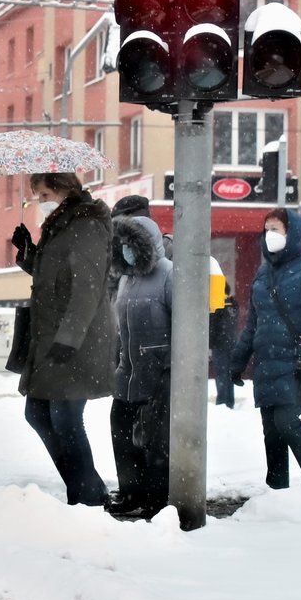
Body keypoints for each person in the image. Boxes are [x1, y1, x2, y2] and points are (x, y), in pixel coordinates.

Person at [10, 173, 113, 506]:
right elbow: (55, 278)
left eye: (42, 194)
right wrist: (29, 253)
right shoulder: (59, 226)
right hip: (52, 337)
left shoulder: (87, 226)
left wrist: (69, 339)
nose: (39, 202)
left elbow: (86, 287)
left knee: (65, 418)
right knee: (38, 414)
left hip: (78, 339)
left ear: (64, 190)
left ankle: (86, 500)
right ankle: (89, 489)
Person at [230, 208, 301, 492]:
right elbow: (253, 323)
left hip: (297, 360)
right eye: (267, 229)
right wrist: (238, 361)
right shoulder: (264, 273)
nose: (270, 235)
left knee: (286, 421)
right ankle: (277, 489)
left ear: (294, 233)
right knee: (271, 430)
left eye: (276, 229)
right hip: (266, 363)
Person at [106, 215, 173, 518]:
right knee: (122, 434)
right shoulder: (125, 279)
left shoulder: (169, 275)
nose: (125, 250)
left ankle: (156, 498)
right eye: (120, 245)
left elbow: (183, 326)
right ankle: (131, 493)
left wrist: (169, 369)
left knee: (154, 442)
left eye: (130, 244)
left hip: (157, 375)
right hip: (127, 373)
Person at [210, 283, 239, 409]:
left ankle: (222, 400)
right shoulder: (233, 304)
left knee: (221, 373)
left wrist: (209, 344)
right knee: (229, 372)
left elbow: (213, 327)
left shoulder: (218, 305)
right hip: (232, 342)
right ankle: (230, 400)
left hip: (219, 343)